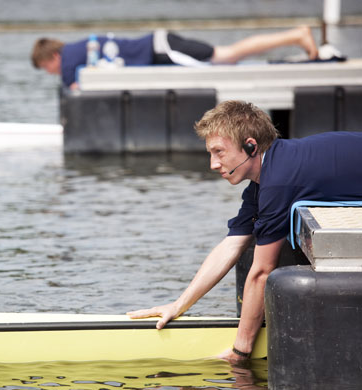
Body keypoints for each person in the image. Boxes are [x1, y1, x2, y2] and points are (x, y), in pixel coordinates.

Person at [127, 100, 362, 362]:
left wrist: (240, 351)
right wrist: (178, 305)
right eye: (210, 153)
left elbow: (262, 272)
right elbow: (231, 245)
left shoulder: (277, 183)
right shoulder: (265, 178)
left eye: (219, 152)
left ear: (250, 146)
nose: (213, 164)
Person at [31, 26, 318, 90]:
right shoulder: (75, 50)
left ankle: (295, 36)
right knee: (228, 56)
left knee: (227, 60)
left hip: (162, 49)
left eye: (47, 66)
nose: (50, 72)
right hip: (162, 43)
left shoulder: (68, 59)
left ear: (53, 56)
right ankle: (294, 37)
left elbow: (75, 91)